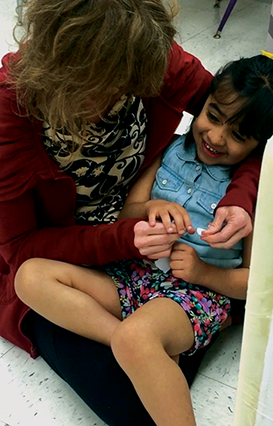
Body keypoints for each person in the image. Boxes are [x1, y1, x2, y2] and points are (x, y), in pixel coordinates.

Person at [0, 0, 261, 424]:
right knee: (33, 284)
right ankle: (148, 344)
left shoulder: (150, 54)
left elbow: (247, 124)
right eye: (107, 91)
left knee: (140, 392)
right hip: (102, 255)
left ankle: (152, 342)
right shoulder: (10, 116)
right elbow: (20, 250)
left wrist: (243, 193)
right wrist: (129, 232)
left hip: (162, 273)